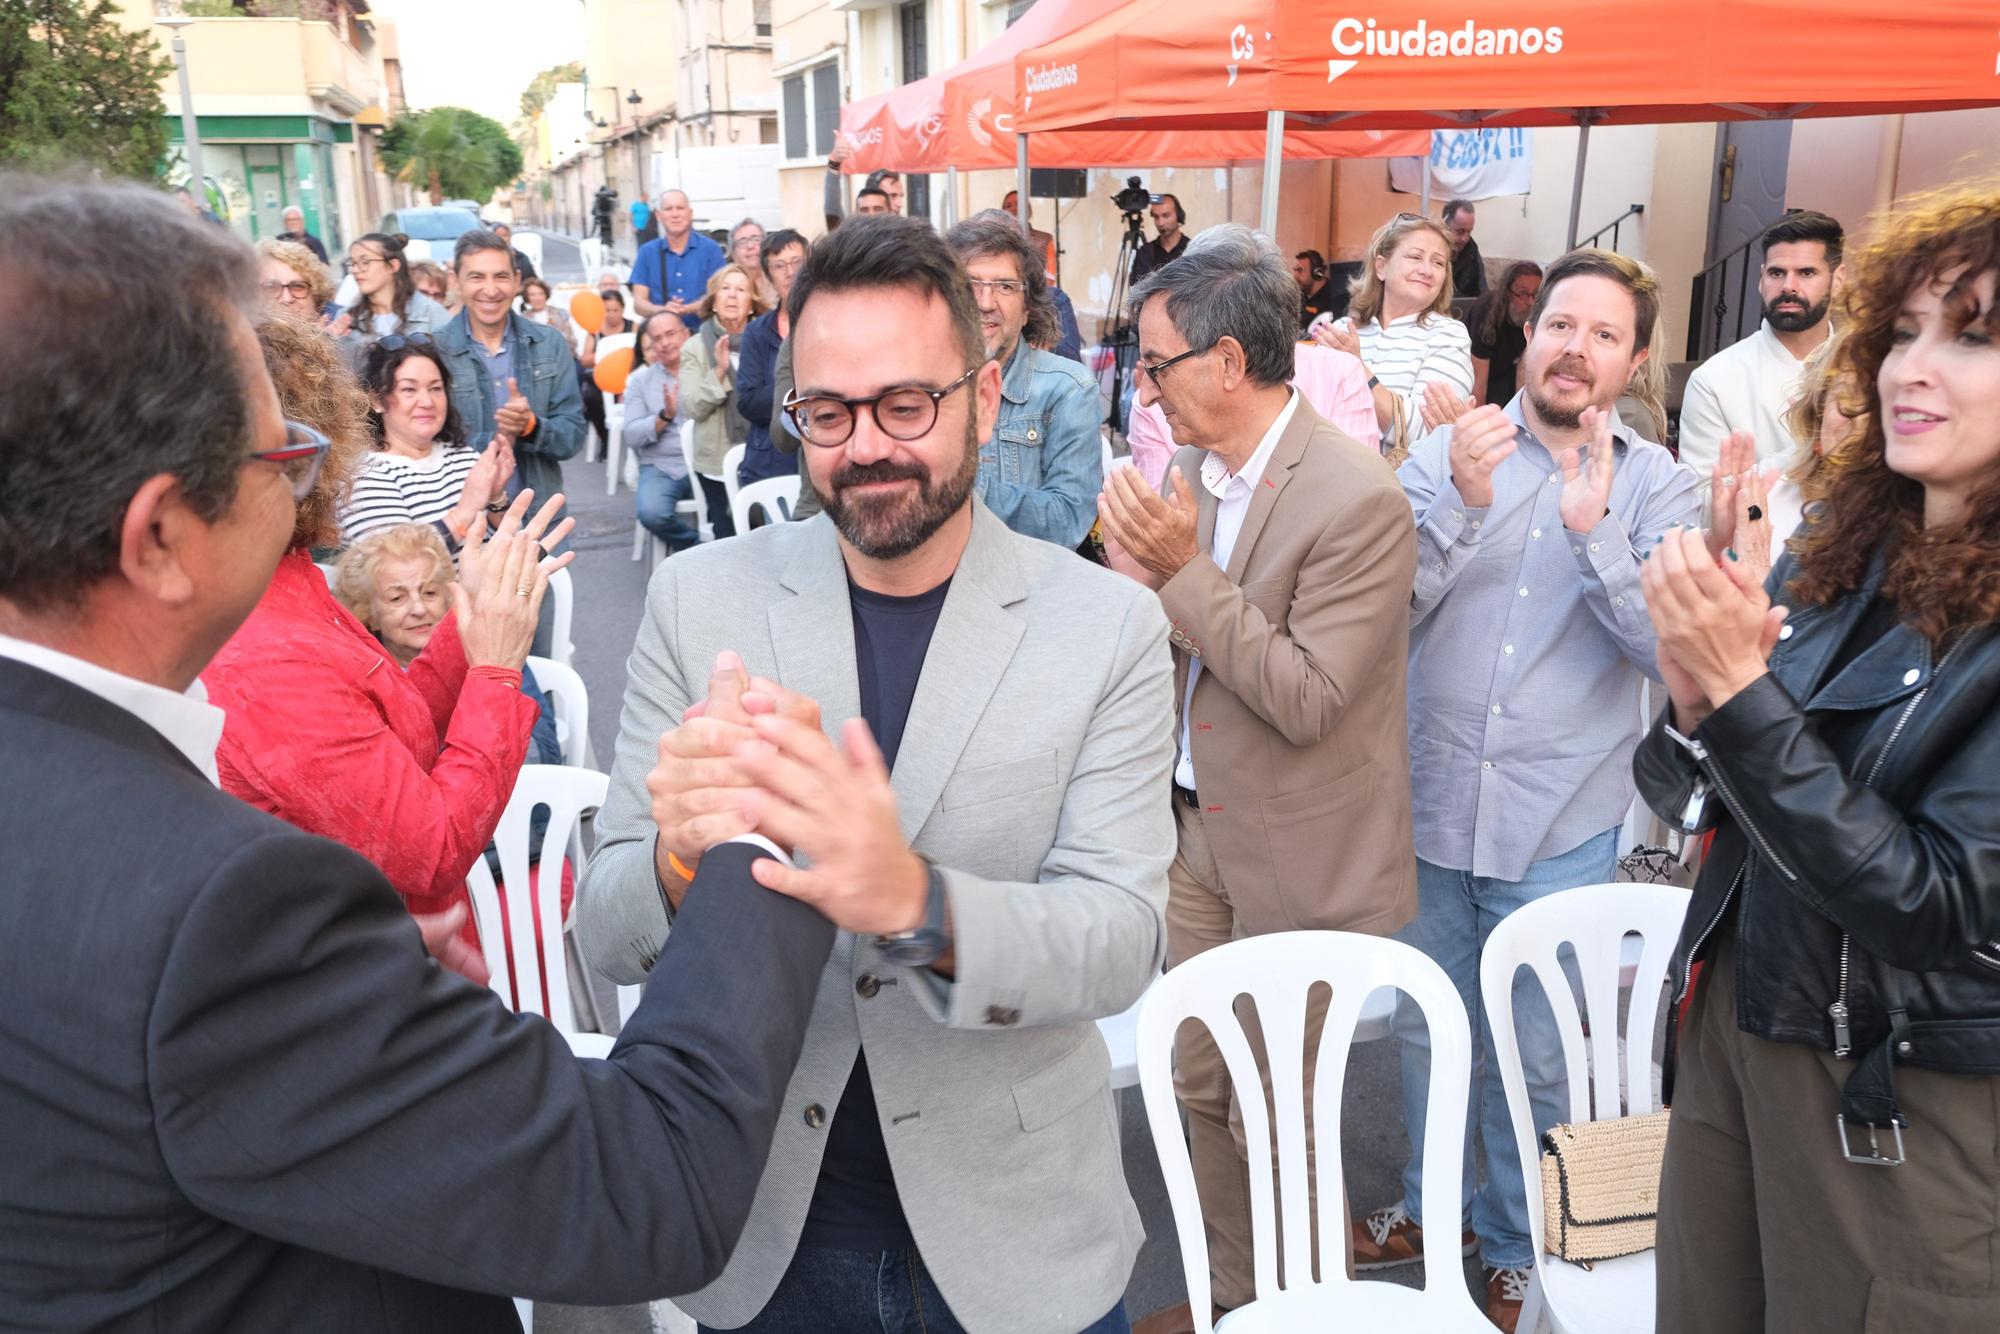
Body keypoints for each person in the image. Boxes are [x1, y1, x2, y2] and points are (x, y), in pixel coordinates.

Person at [0, 171, 851, 1334]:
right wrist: (763, 823)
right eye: (283, 453)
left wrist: (466, 637)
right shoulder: (219, 911)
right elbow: (641, 1184)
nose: (313, 473)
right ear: (157, 538)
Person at [574, 211, 1173, 1334]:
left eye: (907, 404)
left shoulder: (1108, 626)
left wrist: (913, 901)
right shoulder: (699, 600)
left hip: (1019, 1232)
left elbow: (1120, 939)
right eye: (828, 412)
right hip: (766, 1231)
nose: (866, 446)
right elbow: (606, 930)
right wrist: (673, 859)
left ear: (984, 400)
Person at [1636, 181, 2000, 1334]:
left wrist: (1740, 699)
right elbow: (1699, 795)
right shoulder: (1840, 552)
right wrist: (1695, 699)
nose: (1906, 369)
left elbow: (1931, 904)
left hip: (1894, 1097)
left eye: (1972, 336)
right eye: (1900, 331)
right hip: (1741, 1021)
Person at [1096, 224, 1418, 1331]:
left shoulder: (1356, 497)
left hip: (1303, 859)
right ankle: (1240, 1296)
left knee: (1276, 1108)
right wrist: (1133, 591)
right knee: (1195, 1085)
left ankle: (1307, 1305)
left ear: (1227, 365)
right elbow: (1186, 643)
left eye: (1155, 361)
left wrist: (1179, 574)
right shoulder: (1192, 465)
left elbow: (1305, 696)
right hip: (1200, 835)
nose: (1143, 383)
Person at [1372, 248, 1700, 1331]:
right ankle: (1435, 1217)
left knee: (1541, 1051)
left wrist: (1592, 533)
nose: (1575, 348)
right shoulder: (1445, 452)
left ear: (1633, 359)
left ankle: (1523, 1249)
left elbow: (1666, 654)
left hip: (1560, 817)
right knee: (1430, 1032)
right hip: (1428, 804)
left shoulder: (1654, 483)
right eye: (1561, 324)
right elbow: (1382, 616)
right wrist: (1461, 508)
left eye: (1603, 335)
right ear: (1525, 331)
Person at [948, 211, 1102, 549]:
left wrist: (957, 488)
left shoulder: (1068, 390)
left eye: (1004, 286)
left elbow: (1069, 521)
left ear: (1027, 308)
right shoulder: (920, 389)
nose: (985, 303)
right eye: (971, 284)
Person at [1678, 210, 1844, 488]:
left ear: (1838, 280)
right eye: (1777, 273)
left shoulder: (1868, 372)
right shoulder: (1714, 381)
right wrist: (1805, 449)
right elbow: (1700, 504)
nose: (1788, 287)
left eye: (1806, 273)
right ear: (1761, 279)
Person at [433, 229, 587, 524]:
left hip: (538, 521)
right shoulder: (435, 350)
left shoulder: (549, 344)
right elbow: (425, 446)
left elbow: (573, 437)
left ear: (517, 280)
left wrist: (531, 427)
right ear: (456, 281)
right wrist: (500, 438)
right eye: (477, 277)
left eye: (500, 277)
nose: (490, 290)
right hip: (461, 523)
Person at [1315, 214, 1474, 452]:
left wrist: (1357, 369)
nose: (1427, 270)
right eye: (1415, 257)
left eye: (1439, 262)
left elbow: (1428, 433)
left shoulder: (1449, 335)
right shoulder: (1341, 330)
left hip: (1397, 486)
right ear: (1381, 266)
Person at [338, 337, 513, 549]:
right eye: (409, 390)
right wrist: (465, 512)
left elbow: (509, 545)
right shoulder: (361, 476)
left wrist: (496, 499)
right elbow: (395, 564)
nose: (427, 402)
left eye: (435, 388)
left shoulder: (467, 458)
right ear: (376, 401)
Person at [679, 262, 768, 538]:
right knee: (728, 537)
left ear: (751, 305)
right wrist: (718, 371)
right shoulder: (695, 347)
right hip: (717, 463)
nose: (732, 295)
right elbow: (693, 407)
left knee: (770, 537)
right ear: (714, 302)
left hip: (766, 456)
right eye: (725, 289)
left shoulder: (769, 341)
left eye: (741, 290)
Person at [736, 228, 808, 489]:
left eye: (796, 262)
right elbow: (748, 401)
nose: (790, 273)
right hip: (770, 459)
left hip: (817, 453)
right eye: (779, 266)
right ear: (768, 277)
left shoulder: (827, 323)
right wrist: (801, 391)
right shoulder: (756, 332)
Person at [624, 312, 700, 554]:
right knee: (652, 513)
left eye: (670, 334)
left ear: (686, 334)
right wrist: (664, 416)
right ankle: (697, 547)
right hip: (663, 465)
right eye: (657, 338)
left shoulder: (708, 370)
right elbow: (632, 435)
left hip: (707, 462)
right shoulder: (641, 381)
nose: (665, 343)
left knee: (745, 507)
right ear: (651, 345)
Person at [340, 231, 452, 366]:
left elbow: (454, 374)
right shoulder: (346, 319)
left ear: (393, 266)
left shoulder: (432, 313)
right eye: (352, 263)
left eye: (365, 262)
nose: (356, 270)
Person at [630, 189, 727, 328]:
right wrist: (662, 311)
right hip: (662, 337)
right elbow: (638, 304)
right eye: (668, 209)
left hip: (702, 336)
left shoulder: (710, 250)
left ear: (690, 213)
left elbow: (720, 296)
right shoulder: (647, 252)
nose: (675, 214)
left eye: (680, 208)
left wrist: (687, 308)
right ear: (658, 215)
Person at [1467, 260, 1544, 407]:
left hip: (1507, 371)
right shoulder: (1487, 311)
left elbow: (1524, 369)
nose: (1530, 302)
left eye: (1535, 294)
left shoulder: (1537, 312)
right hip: (1476, 371)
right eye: (1522, 294)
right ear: (1507, 293)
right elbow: (1478, 382)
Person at [579, 287, 640, 450]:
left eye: (615, 310)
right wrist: (601, 355)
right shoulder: (595, 330)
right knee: (588, 394)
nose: (611, 314)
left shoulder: (633, 327)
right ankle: (605, 438)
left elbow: (642, 352)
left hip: (628, 379)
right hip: (602, 382)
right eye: (607, 310)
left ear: (622, 309)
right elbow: (584, 360)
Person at [256, 236, 337, 327]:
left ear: (315, 297)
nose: (286, 299)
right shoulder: (239, 339)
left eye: (298, 287)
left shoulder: (346, 337)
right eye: (272, 287)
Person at [1129, 193, 1188, 288]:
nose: (1160, 223)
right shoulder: (1145, 252)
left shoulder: (1192, 248)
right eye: (1156, 217)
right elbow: (1136, 289)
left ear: (1179, 215)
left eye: (1166, 216)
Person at [731, 217, 780, 307]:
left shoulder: (780, 280)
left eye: (756, 239)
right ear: (734, 254)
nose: (750, 246)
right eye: (742, 242)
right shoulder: (730, 290)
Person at [1443, 199, 1486, 298]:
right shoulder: (1431, 251)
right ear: (1445, 226)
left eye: (1469, 232)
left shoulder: (1471, 250)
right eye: (1460, 231)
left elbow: (1482, 292)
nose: (1465, 239)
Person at [1294, 248, 1345, 329]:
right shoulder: (1297, 295)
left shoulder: (1335, 298)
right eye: (1295, 270)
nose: (1295, 275)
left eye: (1300, 270)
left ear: (1317, 273)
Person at [518, 275, 574, 341]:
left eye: (541, 294)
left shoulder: (561, 313)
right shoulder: (522, 318)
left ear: (546, 295)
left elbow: (570, 339)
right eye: (532, 295)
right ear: (527, 297)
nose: (537, 298)